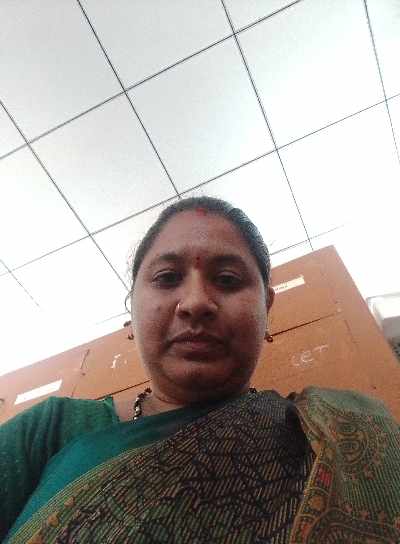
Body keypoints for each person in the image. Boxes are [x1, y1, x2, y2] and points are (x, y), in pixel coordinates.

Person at [1, 196, 399, 543]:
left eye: (227, 279)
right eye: (167, 278)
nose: (195, 303)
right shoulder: (50, 430)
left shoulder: (338, 432)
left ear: (267, 309)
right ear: (131, 313)